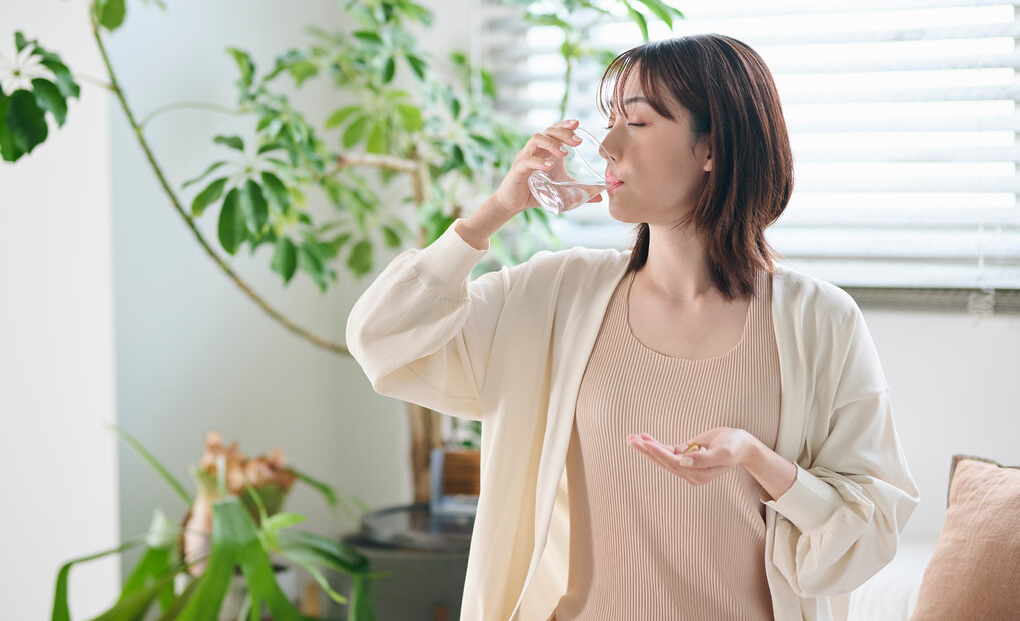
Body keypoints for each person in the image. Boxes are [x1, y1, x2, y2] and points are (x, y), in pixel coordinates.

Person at [346, 34, 918, 621]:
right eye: (609, 121)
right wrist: (494, 211)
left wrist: (757, 459)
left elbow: (871, 526)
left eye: (637, 123)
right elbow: (381, 340)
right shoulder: (553, 296)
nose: (609, 146)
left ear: (712, 150)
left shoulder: (820, 321)